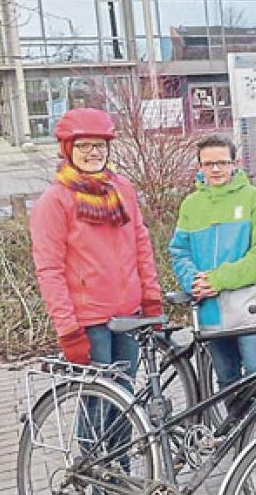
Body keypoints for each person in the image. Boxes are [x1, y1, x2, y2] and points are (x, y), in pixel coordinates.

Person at [31, 107, 163, 372]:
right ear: (68, 149)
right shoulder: (55, 200)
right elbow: (49, 270)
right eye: (84, 146)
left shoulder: (122, 189)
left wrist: (151, 297)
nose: (93, 152)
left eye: (100, 145)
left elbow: (141, 245)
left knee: (125, 395)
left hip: (129, 313)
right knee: (98, 405)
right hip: (89, 320)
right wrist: (67, 329)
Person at [169, 134, 256, 393]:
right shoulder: (191, 205)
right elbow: (179, 251)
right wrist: (193, 280)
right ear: (200, 167)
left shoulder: (255, 199)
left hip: (249, 309)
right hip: (211, 313)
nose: (215, 169)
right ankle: (238, 433)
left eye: (221, 162)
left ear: (234, 163)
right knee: (227, 381)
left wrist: (217, 280)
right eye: (208, 164)